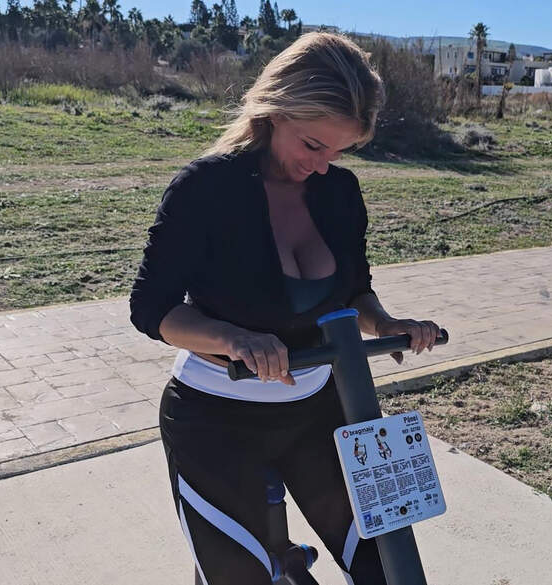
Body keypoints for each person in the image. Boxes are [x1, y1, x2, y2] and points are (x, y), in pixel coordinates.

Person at [129, 32, 442, 585]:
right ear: (273, 113)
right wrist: (233, 339)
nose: (323, 165)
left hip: (317, 412)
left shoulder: (339, 192)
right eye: (313, 145)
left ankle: (288, 562)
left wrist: (386, 323)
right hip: (214, 421)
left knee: (387, 568)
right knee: (238, 577)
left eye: (341, 151)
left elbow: (353, 291)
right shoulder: (206, 188)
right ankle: (280, 563)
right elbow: (152, 310)